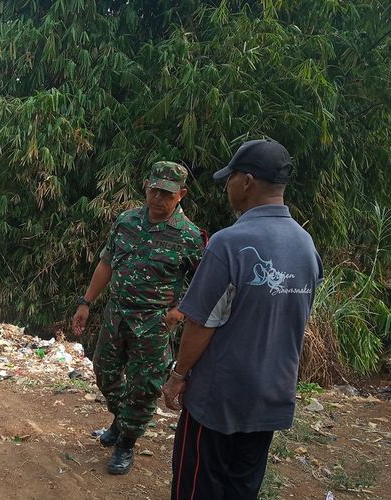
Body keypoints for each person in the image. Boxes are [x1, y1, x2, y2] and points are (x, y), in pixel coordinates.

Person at [161, 139, 323, 499]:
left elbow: (201, 322)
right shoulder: (306, 245)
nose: (227, 186)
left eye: (230, 178)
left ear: (247, 182)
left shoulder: (229, 243)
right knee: (242, 488)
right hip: (270, 396)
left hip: (219, 400)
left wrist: (178, 376)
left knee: (197, 488)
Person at [72, 161, 204, 475]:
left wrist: (178, 313)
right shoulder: (127, 221)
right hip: (116, 317)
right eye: (154, 190)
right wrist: (86, 303)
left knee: (145, 388)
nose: (158, 198)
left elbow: (205, 285)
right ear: (146, 187)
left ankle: (126, 443)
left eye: (167, 193)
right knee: (104, 372)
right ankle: (122, 420)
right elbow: (107, 263)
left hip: (154, 325)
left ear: (181, 195)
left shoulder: (189, 236)